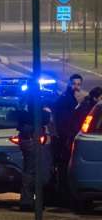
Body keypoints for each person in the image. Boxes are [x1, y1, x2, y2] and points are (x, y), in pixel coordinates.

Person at [16, 93, 53, 212]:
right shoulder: (32, 105)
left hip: (29, 141)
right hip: (32, 141)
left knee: (30, 171)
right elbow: (43, 118)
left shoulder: (23, 103)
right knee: (36, 171)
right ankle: (31, 201)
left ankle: (28, 200)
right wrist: (46, 111)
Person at [53, 74, 83, 202]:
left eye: (78, 84)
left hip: (67, 136)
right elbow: (65, 120)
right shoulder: (66, 99)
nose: (76, 86)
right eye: (74, 84)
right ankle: (63, 194)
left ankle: (64, 193)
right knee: (64, 166)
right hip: (65, 138)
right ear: (69, 84)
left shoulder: (71, 98)